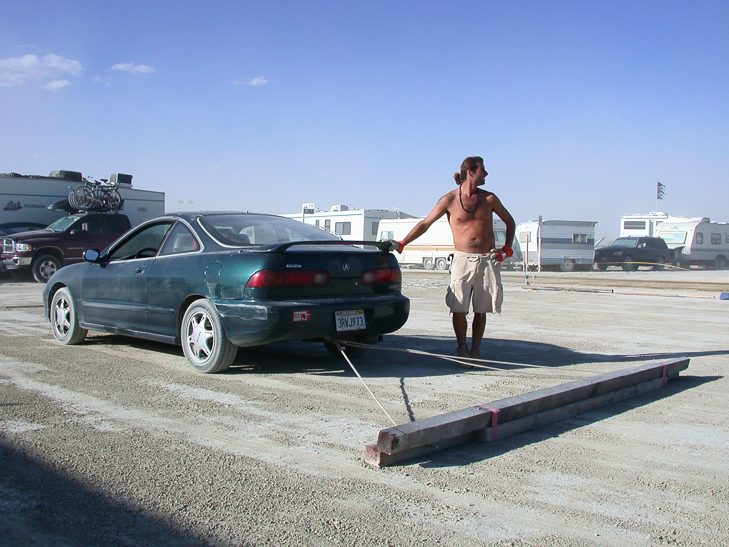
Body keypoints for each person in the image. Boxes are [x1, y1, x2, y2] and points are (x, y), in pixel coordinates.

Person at [390, 156, 515, 359]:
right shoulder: (449, 199)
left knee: (481, 310)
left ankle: (475, 349)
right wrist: (403, 243)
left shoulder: (490, 198)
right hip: (462, 260)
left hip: (487, 260)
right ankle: (461, 348)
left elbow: (510, 222)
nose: (486, 174)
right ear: (470, 172)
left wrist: (506, 249)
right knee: (459, 308)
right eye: (483, 170)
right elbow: (425, 224)